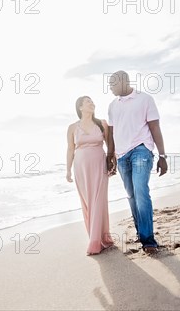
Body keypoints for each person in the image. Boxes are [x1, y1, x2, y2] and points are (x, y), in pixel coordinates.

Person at [106, 71, 168, 255]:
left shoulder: (145, 99)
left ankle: (149, 239)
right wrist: (110, 156)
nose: (110, 87)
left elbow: (155, 127)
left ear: (124, 81)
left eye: (112, 84)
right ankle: (141, 233)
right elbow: (111, 133)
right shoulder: (112, 106)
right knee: (131, 195)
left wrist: (162, 156)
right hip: (122, 155)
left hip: (141, 149)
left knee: (141, 191)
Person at [66, 96, 115, 255]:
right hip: (80, 168)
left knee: (98, 201)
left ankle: (96, 242)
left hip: (99, 165)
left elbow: (110, 147)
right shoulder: (72, 127)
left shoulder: (102, 124)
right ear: (80, 107)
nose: (92, 103)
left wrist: (112, 162)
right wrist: (68, 170)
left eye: (93, 101)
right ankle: (97, 237)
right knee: (87, 202)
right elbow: (70, 149)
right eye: (88, 102)